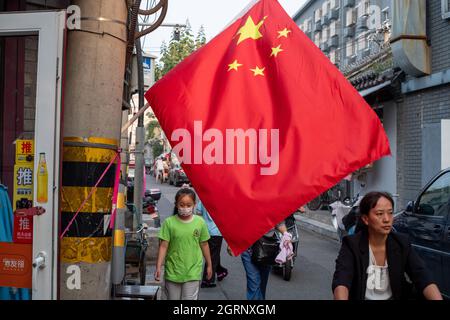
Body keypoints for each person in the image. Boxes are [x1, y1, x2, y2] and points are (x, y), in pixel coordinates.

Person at [332, 191, 443, 300]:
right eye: (379, 214)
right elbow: (342, 282)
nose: (387, 219)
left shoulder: (401, 243)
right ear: (366, 219)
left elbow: (422, 276)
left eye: (390, 213)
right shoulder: (352, 245)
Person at [154, 187, 213, 300]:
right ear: (176, 204)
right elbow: (163, 246)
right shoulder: (169, 223)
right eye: (182, 205)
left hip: (193, 272)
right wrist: (158, 266)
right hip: (173, 271)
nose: (185, 208)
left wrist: (209, 265)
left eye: (188, 205)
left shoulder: (200, 223)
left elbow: (204, 244)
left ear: (194, 204)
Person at [196, 198, 228, 288]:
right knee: (212, 255)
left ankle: (221, 271)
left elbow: (198, 213)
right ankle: (208, 280)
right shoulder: (222, 200)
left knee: (213, 253)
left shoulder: (204, 198)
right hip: (216, 232)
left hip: (205, 230)